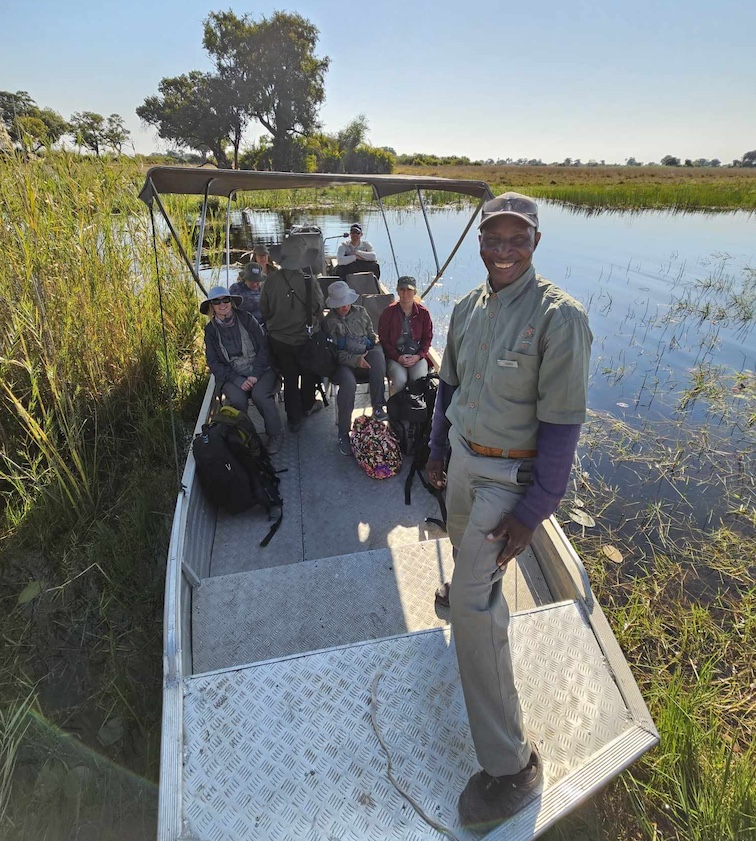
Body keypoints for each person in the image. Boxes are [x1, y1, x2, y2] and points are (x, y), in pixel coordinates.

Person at [425, 192, 592, 828]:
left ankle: (512, 766)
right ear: (480, 245)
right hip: (465, 463)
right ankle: (469, 587)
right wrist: (438, 450)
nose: (502, 249)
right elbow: (449, 386)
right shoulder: (468, 307)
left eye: (515, 238)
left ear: (535, 243)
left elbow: (561, 429)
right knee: (463, 554)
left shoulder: (559, 319)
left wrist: (533, 513)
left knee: (472, 605)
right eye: (492, 238)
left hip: (508, 481)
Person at [201, 285, 284, 454]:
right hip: (232, 375)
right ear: (212, 306)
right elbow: (214, 362)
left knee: (260, 396)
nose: (222, 304)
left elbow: (264, 347)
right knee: (238, 401)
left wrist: (254, 375)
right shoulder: (210, 331)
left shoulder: (247, 318)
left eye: (226, 300)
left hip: (260, 369)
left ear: (231, 302)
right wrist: (237, 379)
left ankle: (275, 434)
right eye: (217, 301)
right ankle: (244, 438)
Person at [259, 236, 325, 433]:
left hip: (278, 340)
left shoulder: (270, 280)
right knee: (308, 374)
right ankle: (307, 406)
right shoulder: (309, 280)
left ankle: (293, 419)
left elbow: (264, 309)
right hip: (304, 339)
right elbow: (319, 307)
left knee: (289, 377)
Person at [323, 281, 387, 456]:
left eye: (346, 302)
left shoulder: (361, 312)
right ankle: (344, 432)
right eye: (340, 304)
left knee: (378, 356)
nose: (344, 307)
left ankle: (378, 406)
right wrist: (356, 361)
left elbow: (371, 333)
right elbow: (334, 353)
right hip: (344, 365)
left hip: (365, 355)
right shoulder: (329, 322)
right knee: (349, 385)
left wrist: (373, 343)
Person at [378, 276, 433, 393]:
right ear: (397, 291)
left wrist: (418, 356)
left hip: (416, 356)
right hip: (395, 357)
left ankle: (417, 408)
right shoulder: (388, 313)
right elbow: (384, 340)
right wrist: (397, 357)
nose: (405, 294)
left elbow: (427, 339)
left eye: (409, 290)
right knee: (400, 381)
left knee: (419, 380)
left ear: (415, 292)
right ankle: (399, 409)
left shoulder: (424, 313)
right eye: (402, 290)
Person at [229, 261, 265, 326]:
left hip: (261, 326)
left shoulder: (265, 290)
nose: (254, 284)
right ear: (245, 279)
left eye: (257, 281)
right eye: (251, 280)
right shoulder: (235, 289)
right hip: (241, 326)